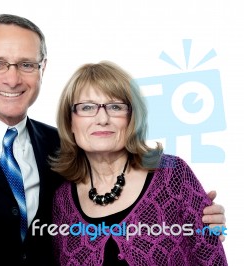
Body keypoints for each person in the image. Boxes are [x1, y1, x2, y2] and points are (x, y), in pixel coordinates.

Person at [0, 14, 226, 266]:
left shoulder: (63, 147)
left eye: (26, 64)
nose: (12, 78)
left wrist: (204, 223)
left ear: (42, 69)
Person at [50, 61, 228, 265]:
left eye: (115, 106)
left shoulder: (172, 174)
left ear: (132, 118)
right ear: (70, 122)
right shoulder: (61, 199)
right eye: (87, 107)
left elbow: (213, 257)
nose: (102, 118)